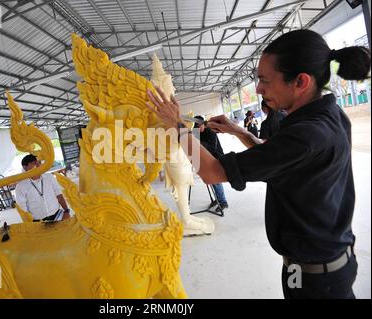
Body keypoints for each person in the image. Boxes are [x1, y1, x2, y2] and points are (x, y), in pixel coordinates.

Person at [146, 29, 370, 299]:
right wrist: (239, 132)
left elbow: (211, 172)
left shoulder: (306, 136)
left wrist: (178, 128)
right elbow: (280, 156)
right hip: (328, 266)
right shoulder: (330, 116)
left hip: (314, 280)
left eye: (264, 80)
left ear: (300, 81)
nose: (259, 89)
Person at [15, 154, 71, 222]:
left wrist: (66, 211)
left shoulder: (49, 177)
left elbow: (59, 195)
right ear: (25, 167)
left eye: (39, 162)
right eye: (34, 163)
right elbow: (23, 209)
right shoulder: (20, 186)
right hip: (37, 222)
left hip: (57, 216)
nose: (38, 165)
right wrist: (30, 223)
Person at [194, 115, 229, 212]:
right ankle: (217, 199)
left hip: (216, 158)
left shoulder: (211, 133)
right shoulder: (196, 132)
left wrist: (199, 143)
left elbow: (213, 148)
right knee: (210, 181)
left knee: (216, 181)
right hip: (206, 159)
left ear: (203, 125)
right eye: (195, 127)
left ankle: (223, 202)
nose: (197, 129)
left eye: (198, 126)